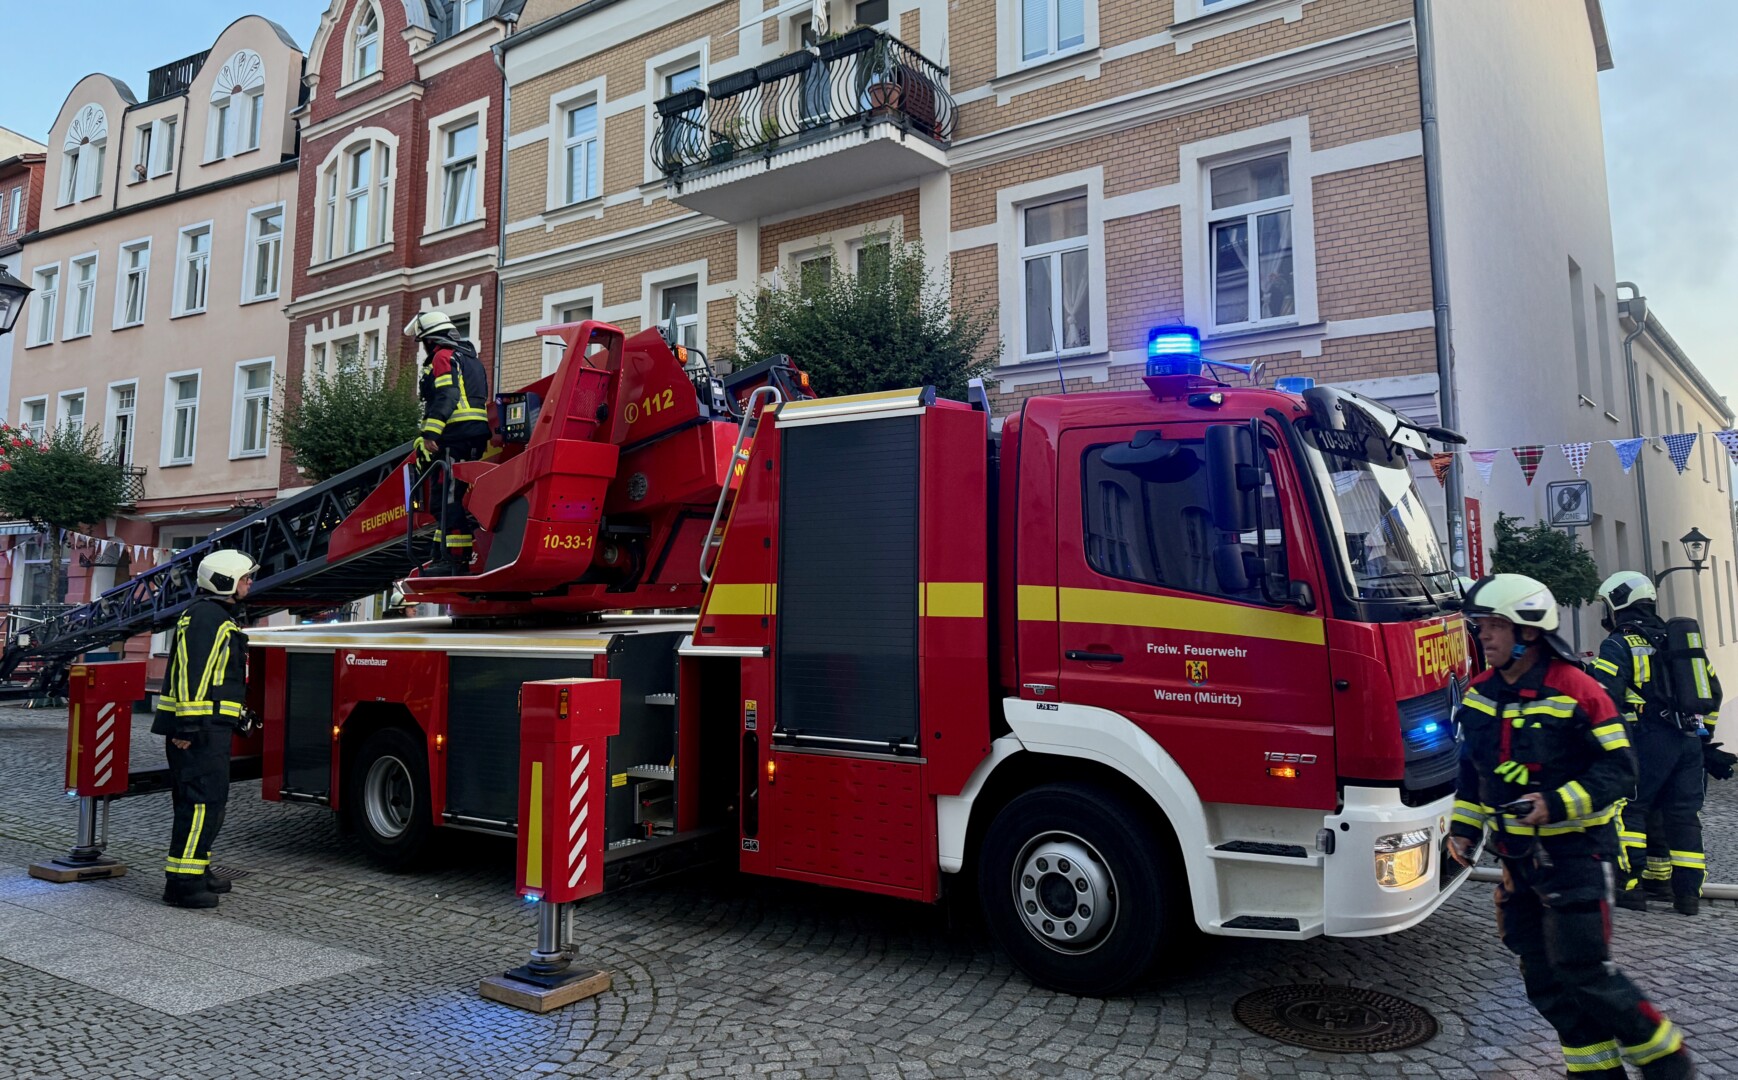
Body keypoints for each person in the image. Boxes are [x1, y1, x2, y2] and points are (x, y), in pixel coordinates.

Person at [1447, 574, 1694, 1080]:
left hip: (1578, 856)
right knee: (1544, 979)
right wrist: (1464, 830)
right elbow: (1473, 771)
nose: (1483, 635)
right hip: (1518, 864)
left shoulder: (1578, 690)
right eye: (1480, 625)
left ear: (1528, 631)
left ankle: (1668, 1061)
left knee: (1584, 971)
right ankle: (1596, 1072)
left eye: (1494, 625)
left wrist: (1555, 804)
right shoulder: (1479, 694)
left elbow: (1620, 769)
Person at [1589, 571, 1731, 915]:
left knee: (1630, 808)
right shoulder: (1680, 642)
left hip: (1648, 741)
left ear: (1618, 603)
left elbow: (1603, 696)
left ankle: (1631, 888)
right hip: (1688, 742)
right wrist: (1704, 739)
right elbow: (1713, 693)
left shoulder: (1619, 643)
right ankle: (1686, 896)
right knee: (1683, 817)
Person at [152, 549, 256, 909]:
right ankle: (182, 884)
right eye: (244, 578)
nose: (249, 583)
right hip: (199, 730)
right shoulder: (207, 618)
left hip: (209, 726)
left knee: (209, 801)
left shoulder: (212, 616)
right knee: (199, 803)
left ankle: (197, 868)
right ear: (226, 581)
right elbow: (192, 675)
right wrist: (188, 726)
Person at [404, 310, 493, 575]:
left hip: (455, 436)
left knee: (447, 500)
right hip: (473, 435)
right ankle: (440, 553)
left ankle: (455, 559)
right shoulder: (471, 360)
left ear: (431, 340)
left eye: (423, 342)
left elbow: (448, 395)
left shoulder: (443, 356)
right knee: (447, 499)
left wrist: (431, 433)